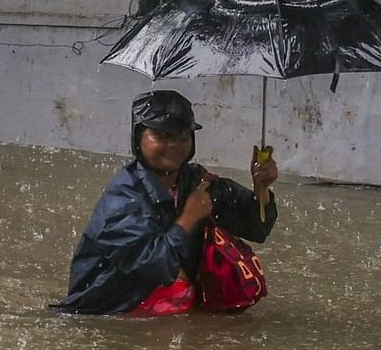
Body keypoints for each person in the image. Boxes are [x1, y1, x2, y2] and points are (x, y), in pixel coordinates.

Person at [57, 90, 278, 315]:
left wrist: (262, 188)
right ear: (138, 138)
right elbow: (152, 269)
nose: (173, 145)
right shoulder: (124, 197)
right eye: (161, 135)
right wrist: (188, 219)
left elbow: (257, 228)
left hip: (172, 302)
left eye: (182, 136)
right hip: (113, 310)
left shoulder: (196, 182)